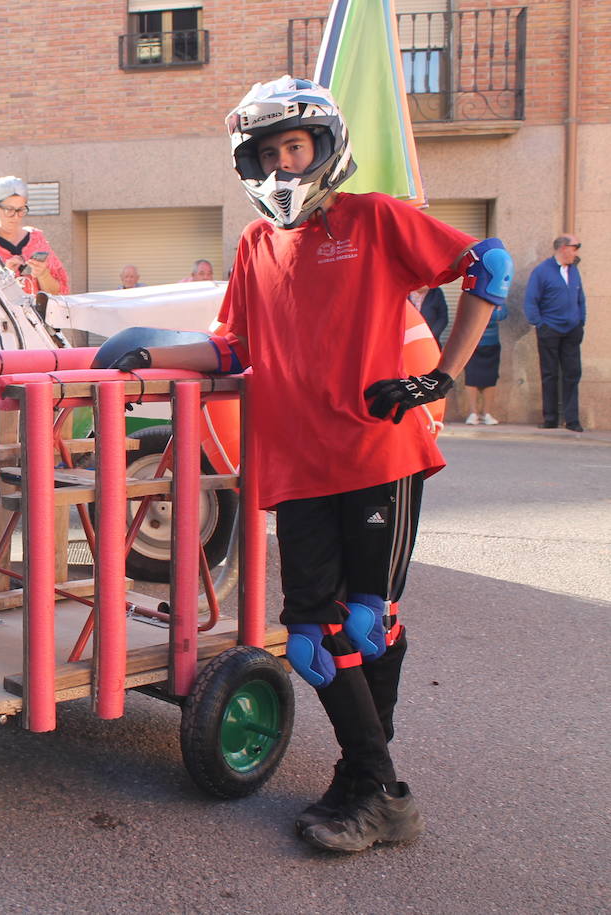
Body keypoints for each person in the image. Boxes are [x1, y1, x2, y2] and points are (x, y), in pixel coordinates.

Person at [104, 76, 510, 853]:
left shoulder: (374, 218)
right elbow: (235, 346)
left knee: (363, 621)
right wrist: (153, 351)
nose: (284, 165)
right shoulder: (257, 245)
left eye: (294, 147)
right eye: (267, 154)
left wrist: (442, 376)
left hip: (377, 449)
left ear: (324, 147)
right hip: (297, 463)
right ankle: (373, 781)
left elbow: (487, 267)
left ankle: (371, 786)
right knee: (312, 637)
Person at [524, 234, 586, 432]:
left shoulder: (574, 271)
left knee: (572, 374)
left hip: (572, 331)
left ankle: (572, 419)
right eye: (574, 247)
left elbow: (580, 298)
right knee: (549, 374)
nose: (576, 252)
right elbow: (531, 301)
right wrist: (540, 324)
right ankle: (550, 418)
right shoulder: (542, 271)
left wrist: (581, 320)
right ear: (562, 248)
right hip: (550, 330)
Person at [0, 176, 69, 295]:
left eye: (21, 210)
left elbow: (58, 294)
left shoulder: (36, 240)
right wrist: (6, 276)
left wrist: (43, 274)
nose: (16, 216)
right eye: (9, 210)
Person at [462, 301, 506, 425]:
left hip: (492, 344)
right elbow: (470, 315)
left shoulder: (498, 297)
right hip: (472, 344)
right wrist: (491, 312)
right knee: (471, 378)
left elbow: (503, 314)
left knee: (490, 379)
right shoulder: (471, 294)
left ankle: (487, 414)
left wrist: (483, 314)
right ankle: (473, 413)